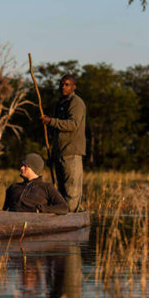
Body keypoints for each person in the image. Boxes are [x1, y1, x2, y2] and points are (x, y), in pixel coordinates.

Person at [39, 75, 86, 212]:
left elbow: (73, 125)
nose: (63, 87)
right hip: (60, 153)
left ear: (73, 87)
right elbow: (57, 133)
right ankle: (63, 217)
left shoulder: (76, 102)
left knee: (72, 191)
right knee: (61, 191)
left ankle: (71, 219)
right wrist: (53, 154)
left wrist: (51, 121)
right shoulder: (60, 103)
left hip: (71, 153)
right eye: (61, 84)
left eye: (67, 84)